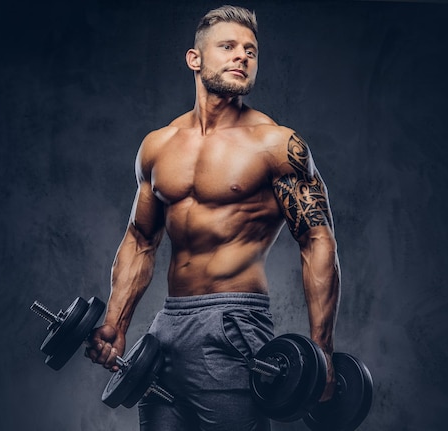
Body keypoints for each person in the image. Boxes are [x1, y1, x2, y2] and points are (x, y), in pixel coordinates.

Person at [86, 5, 340, 430]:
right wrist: (115, 322)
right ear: (195, 58)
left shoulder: (276, 145)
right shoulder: (158, 146)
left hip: (233, 324)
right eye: (228, 46)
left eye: (251, 51)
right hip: (166, 330)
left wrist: (322, 352)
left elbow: (318, 241)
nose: (242, 56)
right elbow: (140, 240)